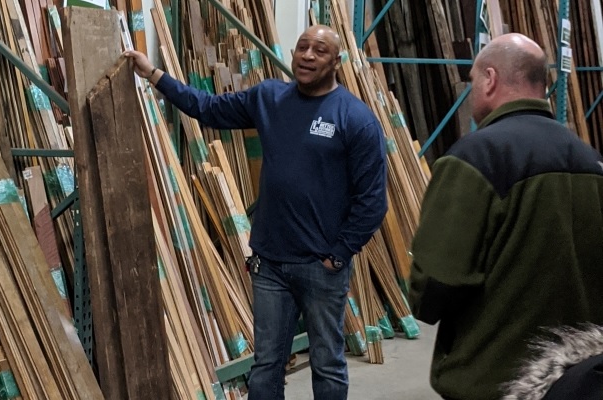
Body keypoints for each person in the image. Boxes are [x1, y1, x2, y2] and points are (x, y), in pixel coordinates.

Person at [125, 25, 388, 400]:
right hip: (270, 263)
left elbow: (373, 200)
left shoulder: (355, 119)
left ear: (337, 62)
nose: (308, 56)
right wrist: (154, 74)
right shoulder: (270, 98)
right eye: (303, 47)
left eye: (320, 50)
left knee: (327, 363)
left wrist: (339, 254)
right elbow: (208, 109)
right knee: (266, 364)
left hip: (320, 266)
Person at [408, 33, 603, 400]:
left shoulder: (475, 158)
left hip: (494, 377)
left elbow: (435, 283)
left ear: (490, 79)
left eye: (472, 80)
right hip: (576, 380)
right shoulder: (589, 159)